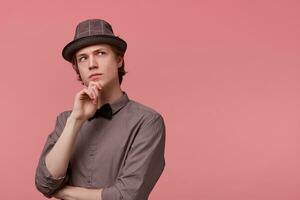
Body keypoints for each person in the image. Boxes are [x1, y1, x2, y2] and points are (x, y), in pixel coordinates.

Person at [35, 19, 166, 200]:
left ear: (119, 60)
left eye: (101, 53)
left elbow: (128, 195)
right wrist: (76, 120)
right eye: (83, 58)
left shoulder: (147, 121)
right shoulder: (66, 120)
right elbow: (44, 183)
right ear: (77, 68)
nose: (92, 64)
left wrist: (64, 192)